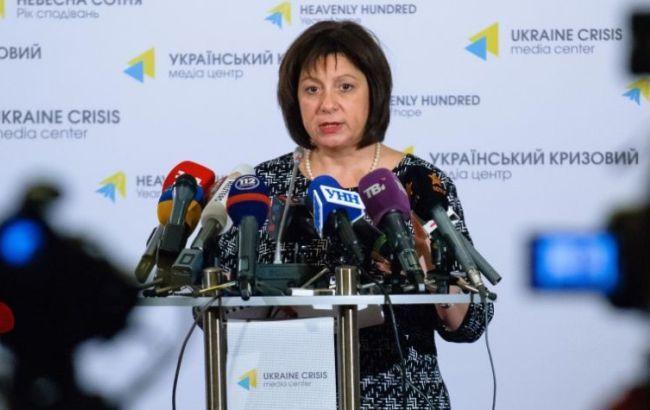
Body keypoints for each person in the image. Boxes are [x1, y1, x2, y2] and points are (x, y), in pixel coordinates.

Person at [216, 20, 494, 409]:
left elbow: (470, 324)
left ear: (373, 92)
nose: (327, 104)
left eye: (345, 87)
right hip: (289, 392)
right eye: (312, 89)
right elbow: (218, 306)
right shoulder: (265, 185)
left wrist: (429, 269)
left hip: (402, 397)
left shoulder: (419, 182)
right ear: (295, 100)